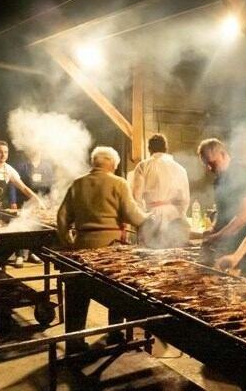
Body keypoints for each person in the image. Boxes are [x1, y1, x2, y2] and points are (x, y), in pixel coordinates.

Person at [57, 146, 150, 354]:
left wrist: (68, 243)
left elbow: (62, 217)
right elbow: (133, 216)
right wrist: (150, 217)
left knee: (77, 296)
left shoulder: (77, 184)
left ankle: (74, 343)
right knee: (115, 294)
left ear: (94, 163)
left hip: (81, 247)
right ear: (113, 164)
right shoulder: (119, 182)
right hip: (111, 249)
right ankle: (115, 334)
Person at [196, 138, 246, 270]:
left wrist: (215, 237)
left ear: (223, 154)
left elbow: (245, 215)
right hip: (230, 247)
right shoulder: (218, 181)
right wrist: (212, 231)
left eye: (212, 162)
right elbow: (222, 214)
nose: (209, 168)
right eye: (206, 164)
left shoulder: (243, 173)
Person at [132, 134, 190, 248]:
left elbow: (136, 197)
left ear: (149, 149)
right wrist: (179, 214)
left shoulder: (143, 166)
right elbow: (185, 199)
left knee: (149, 256)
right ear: (166, 148)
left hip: (151, 217)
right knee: (173, 256)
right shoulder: (179, 168)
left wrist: (143, 217)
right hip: (174, 218)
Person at [8, 150, 54, 265]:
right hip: (23, 200)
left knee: (37, 227)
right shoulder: (21, 165)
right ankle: (20, 255)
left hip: (41, 201)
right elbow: (13, 183)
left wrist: (51, 201)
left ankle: (34, 253)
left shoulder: (46, 166)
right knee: (22, 227)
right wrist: (13, 201)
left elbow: (52, 185)